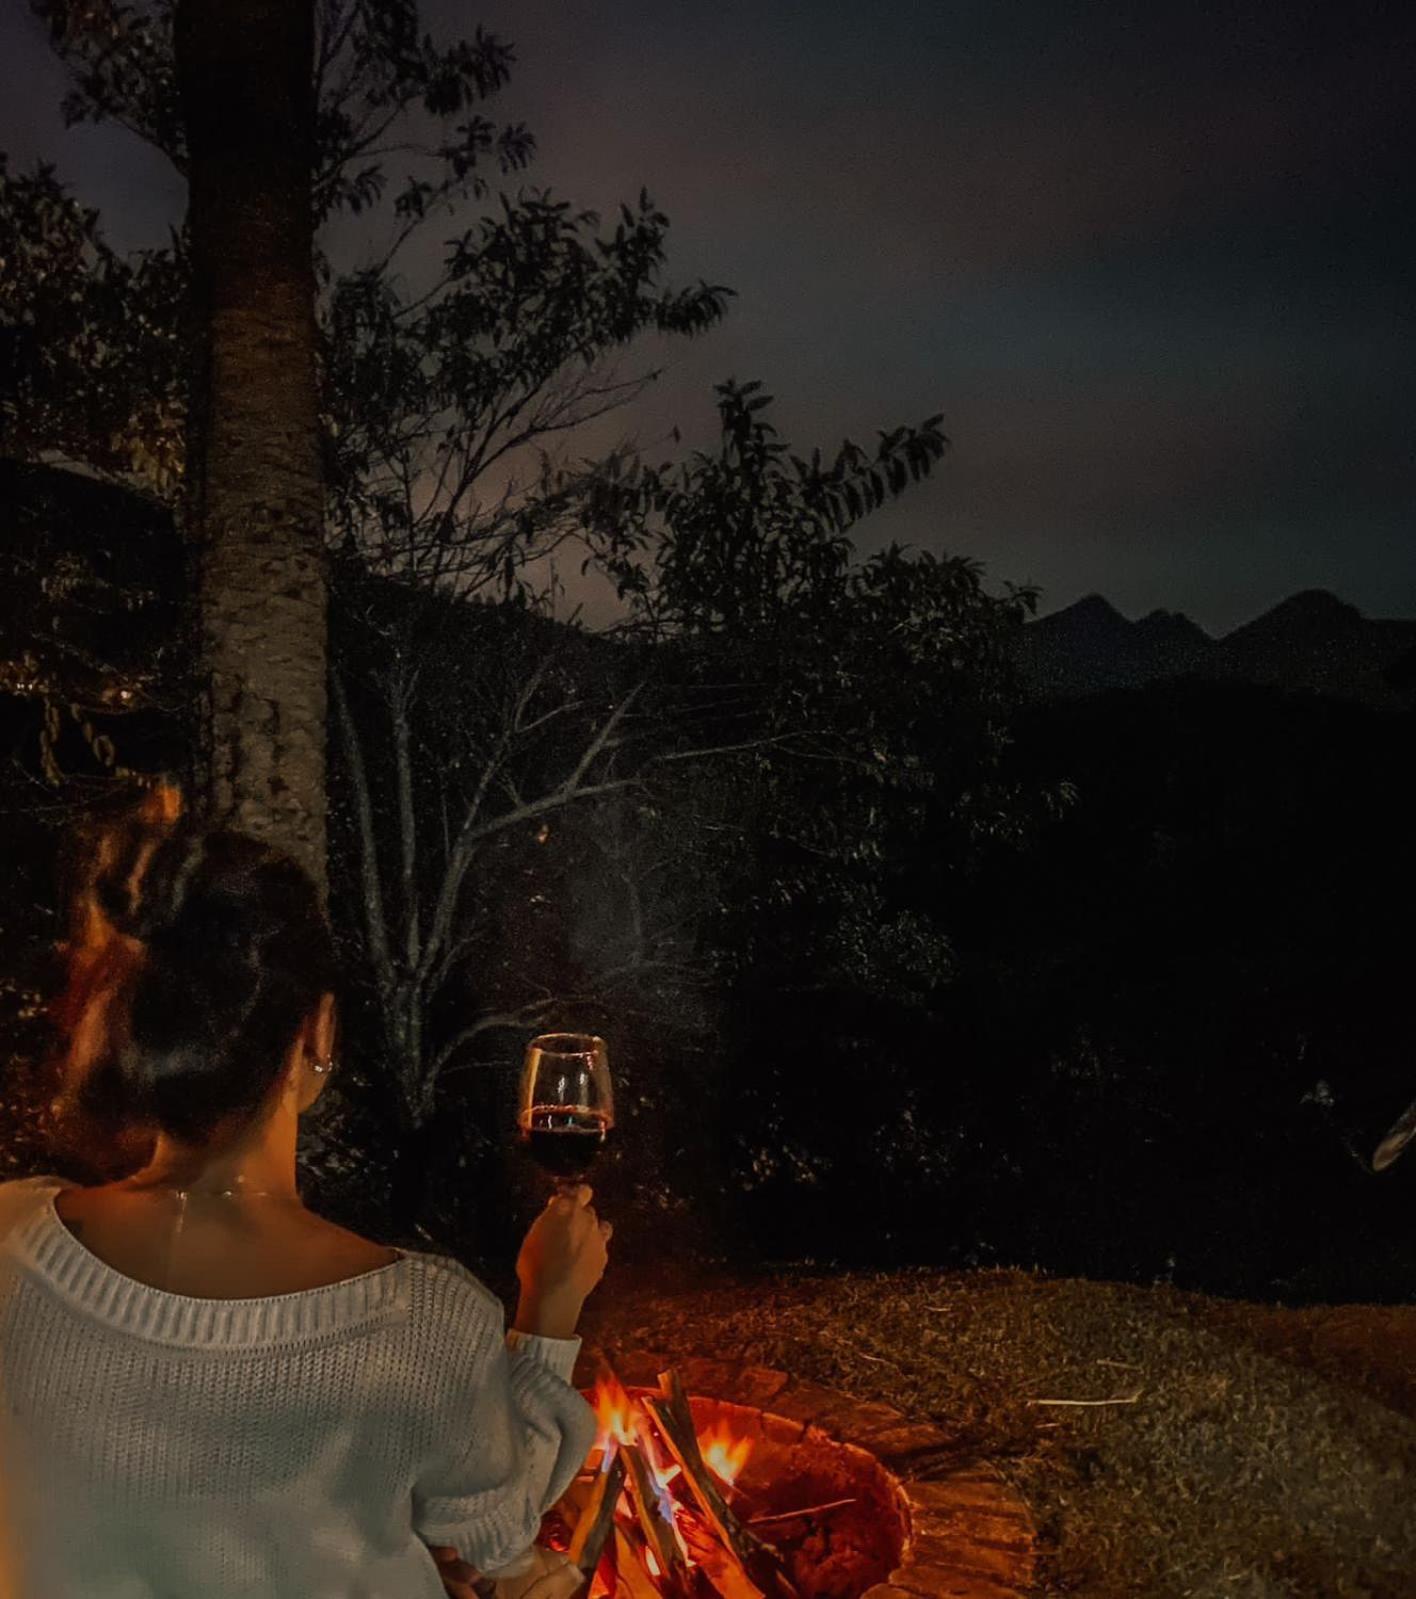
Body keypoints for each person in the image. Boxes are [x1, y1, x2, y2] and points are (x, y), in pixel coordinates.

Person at [0, 798, 611, 1597]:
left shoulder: (10, 1240)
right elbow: (501, 1532)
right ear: (319, 1033)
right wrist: (549, 1308)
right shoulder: (425, 1322)